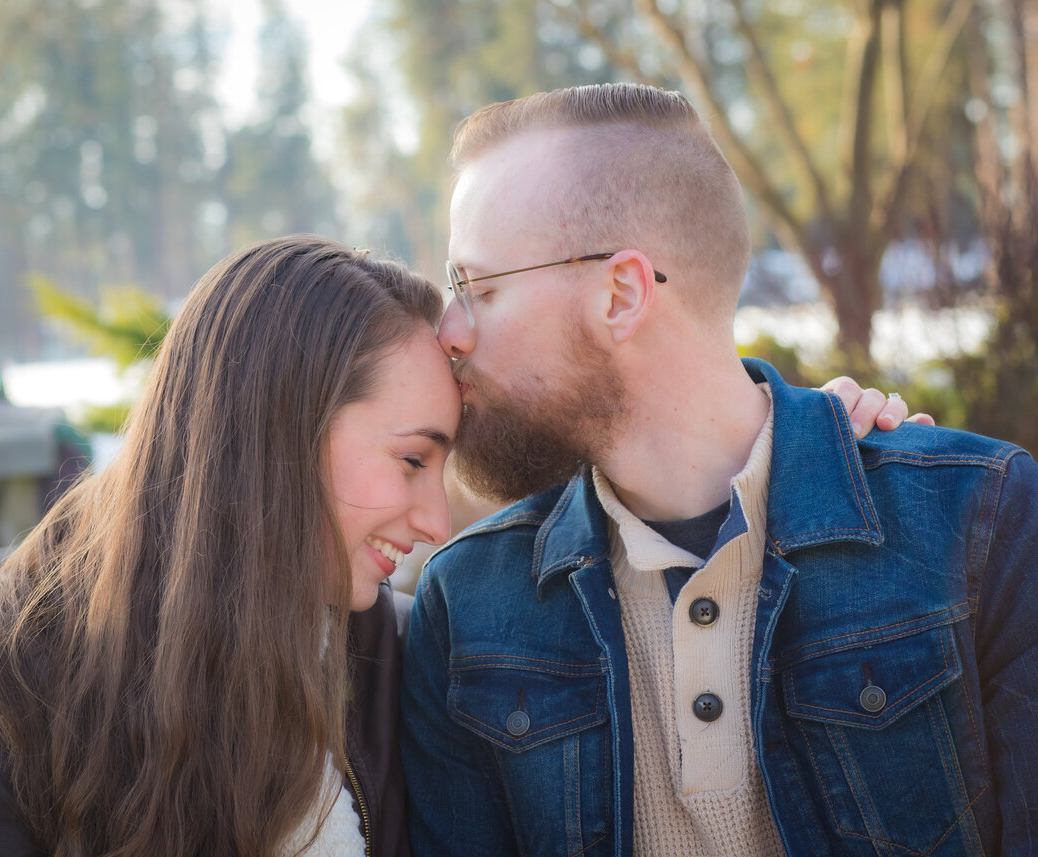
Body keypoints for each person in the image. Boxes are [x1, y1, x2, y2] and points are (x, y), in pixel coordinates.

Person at [401, 83, 1037, 857]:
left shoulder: (985, 521)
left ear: (622, 293)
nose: (450, 328)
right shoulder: (465, 605)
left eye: (479, 286)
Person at [0, 236, 462, 857]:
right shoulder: (0, 707)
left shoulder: (404, 660)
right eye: (413, 458)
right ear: (278, 430)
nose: (438, 523)